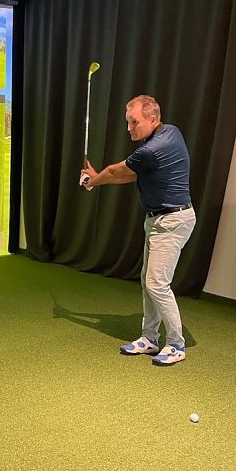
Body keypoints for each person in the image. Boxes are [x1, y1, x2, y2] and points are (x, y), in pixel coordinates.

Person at [80, 95, 195, 366]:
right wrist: (98, 180)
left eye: (134, 122)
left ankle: (176, 345)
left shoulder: (153, 147)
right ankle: (149, 338)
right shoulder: (171, 132)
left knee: (157, 283)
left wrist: (91, 182)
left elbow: (114, 171)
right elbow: (129, 174)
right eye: (128, 122)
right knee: (148, 281)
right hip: (157, 221)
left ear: (153, 119)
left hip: (173, 222)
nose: (130, 128)